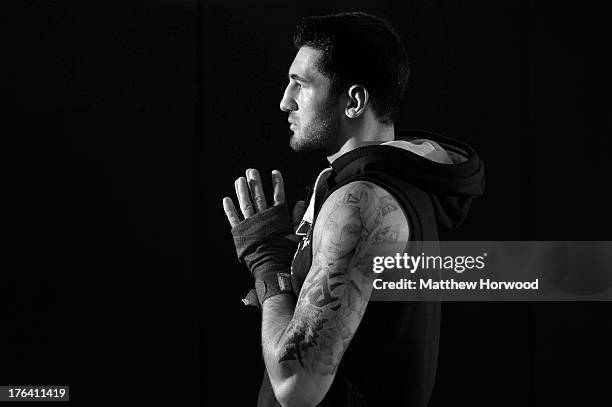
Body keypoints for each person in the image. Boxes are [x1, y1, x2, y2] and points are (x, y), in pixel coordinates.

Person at [222, 12, 484, 407]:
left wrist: (269, 265)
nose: (284, 101)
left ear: (354, 101)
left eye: (301, 84)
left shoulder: (359, 201)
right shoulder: (379, 183)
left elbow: (296, 386)